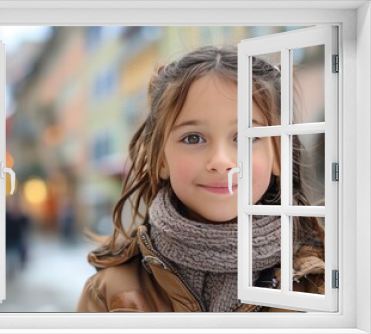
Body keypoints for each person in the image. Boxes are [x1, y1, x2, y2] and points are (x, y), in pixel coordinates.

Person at [76, 45, 325, 312]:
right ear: (161, 160)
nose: (220, 161)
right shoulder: (110, 294)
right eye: (193, 138)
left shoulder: (324, 286)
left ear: (279, 155)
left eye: (245, 138)